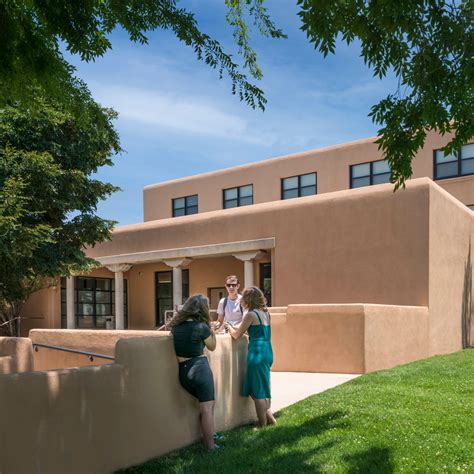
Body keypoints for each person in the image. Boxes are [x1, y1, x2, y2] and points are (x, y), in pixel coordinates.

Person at [169, 294, 221, 450]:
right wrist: (212, 331)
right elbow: (212, 346)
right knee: (207, 408)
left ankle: (209, 434)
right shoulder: (201, 327)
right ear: (202, 309)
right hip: (199, 369)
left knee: (205, 406)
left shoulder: (175, 327)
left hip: (183, 373)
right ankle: (211, 447)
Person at [225, 286, 277, 427]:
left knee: (258, 391)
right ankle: (271, 421)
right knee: (260, 388)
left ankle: (262, 425)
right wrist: (234, 327)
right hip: (267, 350)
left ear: (248, 299)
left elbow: (236, 335)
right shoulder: (265, 314)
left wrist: (228, 326)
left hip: (256, 353)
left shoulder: (251, 315)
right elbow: (251, 332)